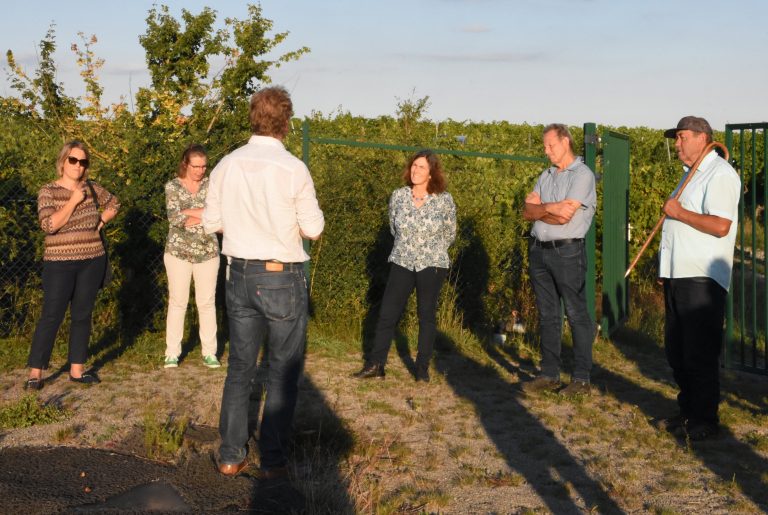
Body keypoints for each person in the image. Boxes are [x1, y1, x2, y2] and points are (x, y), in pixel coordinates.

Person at [203, 86, 324, 478]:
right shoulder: (293, 169)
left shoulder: (226, 164)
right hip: (280, 274)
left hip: (237, 271)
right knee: (282, 369)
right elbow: (314, 228)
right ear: (286, 123)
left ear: (252, 118)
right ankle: (272, 458)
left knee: (239, 367)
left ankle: (230, 454)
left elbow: (210, 223)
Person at [655, 116, 740, 440]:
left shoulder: (719, 174)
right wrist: (666, 267)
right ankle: (688, 409)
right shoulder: (689, 176)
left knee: (699, 352)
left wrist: (678, 213)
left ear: (702, 138)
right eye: (676, 138)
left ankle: (705, 419)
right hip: (679, 275)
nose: (676, 144)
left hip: (702, 278)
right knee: (676, 351)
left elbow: (720, 225)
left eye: (681, 137)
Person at [353, 150, 457, 383]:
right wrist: (408, 246)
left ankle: (421, 369)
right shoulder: (398, 196)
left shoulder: (444, 199)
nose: (415, 170)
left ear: (431, 173)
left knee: (426, 316)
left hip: (431, 263)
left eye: (421, 167)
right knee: (387, 314)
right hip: (402, 259)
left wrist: (431, 250)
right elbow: (394, 227)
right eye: (414, 166)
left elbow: (450, 233)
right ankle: (376, 364)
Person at [25, 141, 120, 390]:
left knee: (82, 314)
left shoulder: (91, 187)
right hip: (59, 262)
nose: (79, 166)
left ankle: (77, 369)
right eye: (74, 160)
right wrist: (73, 201)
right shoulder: (48, 191)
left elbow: (114, 203)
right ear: (63, 161)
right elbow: (49, 225)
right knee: (52, 315)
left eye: (83, 162)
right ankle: (36, 372)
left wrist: (99, 222)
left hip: (92, 259)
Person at [521, 123, 596, 396]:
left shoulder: (583, 175)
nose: (546, 150)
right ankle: (549, 374)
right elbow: (527, 211)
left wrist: (540, 209)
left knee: (576, 314)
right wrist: (549, 208)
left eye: (550, 145)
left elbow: (566, 216)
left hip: (567, 251)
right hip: (539, 250)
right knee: (548, 315)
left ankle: (581, 378)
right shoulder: (547, 174)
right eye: (544, 146)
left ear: (566, 142)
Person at [163, 144, 221, 369]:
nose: (200, 170)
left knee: (206, 303)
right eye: (196, 166)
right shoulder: (173, 186)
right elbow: (174, 219)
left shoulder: (212, 186)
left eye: (204, 166)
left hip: (208, 253)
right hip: (178, 253)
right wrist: (204, 216)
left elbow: (219, 215)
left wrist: (189, 213)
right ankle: (172, 353)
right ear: (185, 164)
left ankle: (210, 352)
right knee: (178, 302)